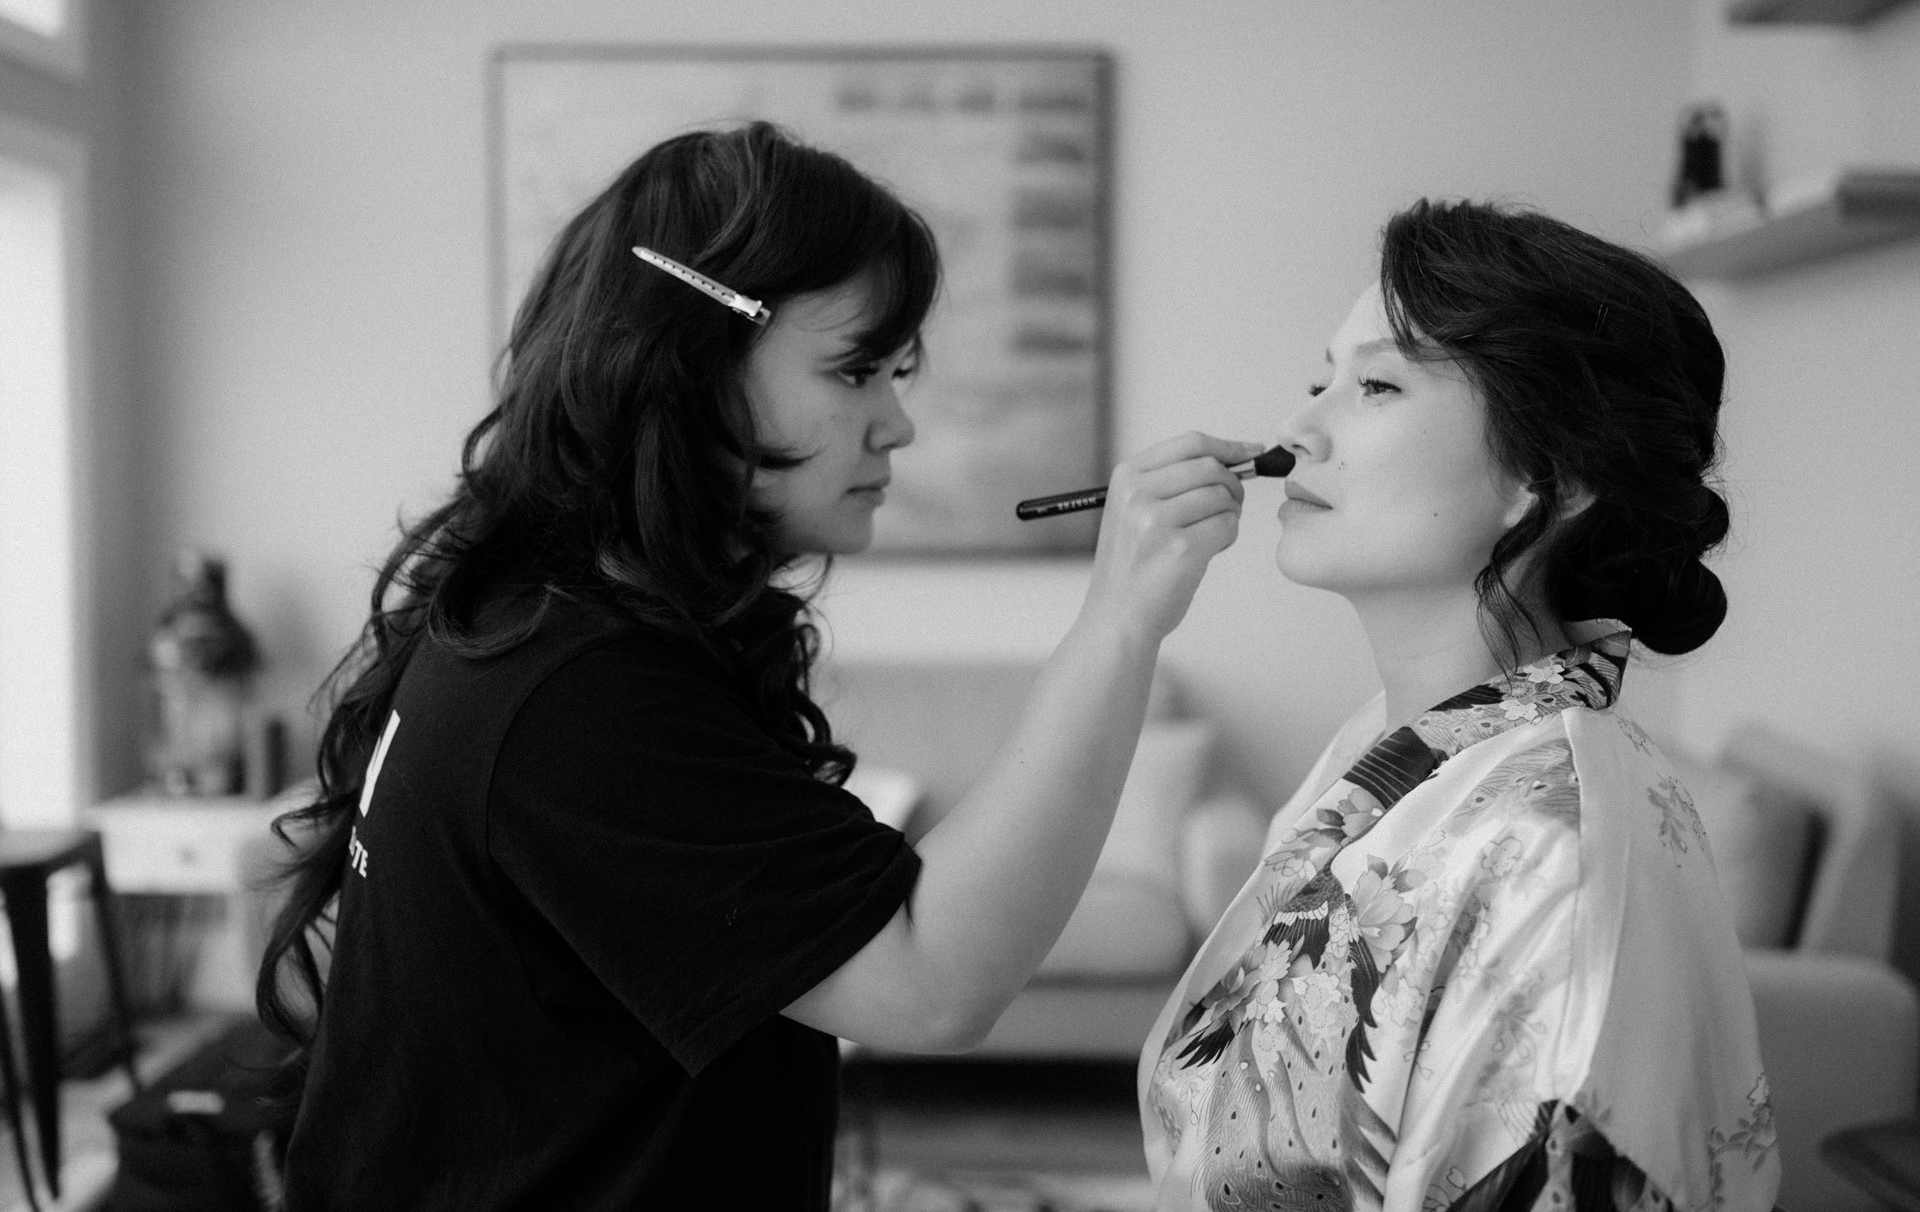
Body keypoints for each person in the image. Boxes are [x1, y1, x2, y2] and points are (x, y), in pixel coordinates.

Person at [253, 120, 1258, 1210]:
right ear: (691, 363)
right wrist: (1121, 617)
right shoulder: (580, 694)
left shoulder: (542, 613)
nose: (897, 424)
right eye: (855, 370)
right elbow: (931, 982)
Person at [1139, 200, 1780, 1212]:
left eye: (1377, 385)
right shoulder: (1397, 749)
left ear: (1546, 475)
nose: (1297, 429)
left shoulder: (1553, 855)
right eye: (1320, 380)